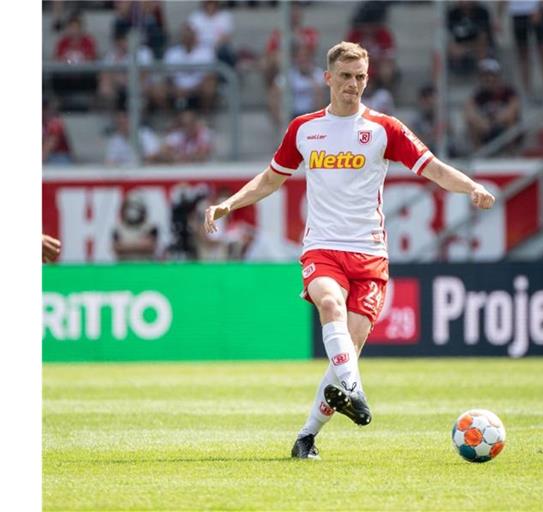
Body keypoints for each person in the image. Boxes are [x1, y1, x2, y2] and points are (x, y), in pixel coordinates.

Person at [203, 41, 495, 460]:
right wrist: (229, 203)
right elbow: (270, 180)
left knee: (346, 355)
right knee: (329, 305)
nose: (353, 85)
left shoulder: (383, 129)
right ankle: (357, 393)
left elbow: (432, 168)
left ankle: (306, 437)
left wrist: (472, 186)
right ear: (327, 78)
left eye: (360, 77)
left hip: (370, 255)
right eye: (345, 76)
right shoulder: (305, 128)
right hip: (322, 248)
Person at [498, 0, 543, 96]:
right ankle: (526, 91)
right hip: (518, 12)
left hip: (538, 10)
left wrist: (539, 7)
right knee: (523, 54)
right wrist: (499, 16)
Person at [464, 58, 521, 152]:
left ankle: (511, 153)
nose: (489, 79)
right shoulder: (478, 94)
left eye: (492, 75)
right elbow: (469, 112)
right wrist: (481, 121)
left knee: (511, 121)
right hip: (486, 128)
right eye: (485, 75)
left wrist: (496, 121)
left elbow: (512, 111)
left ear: (498, 76)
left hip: (503, 127)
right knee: (471, 124)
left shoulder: (509, 92)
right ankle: (479, 154)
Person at [163, 23, 218, 112]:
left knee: (209, 87)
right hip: (177, 89)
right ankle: (168, 117)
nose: (187, 38)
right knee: (158, 90)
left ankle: (205, 115)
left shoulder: (206, 52)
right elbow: (169, 77)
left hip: (198, 88)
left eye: (190, 35)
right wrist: (176, 89)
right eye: (185, 35)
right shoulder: (172, 52)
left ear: (195, 36)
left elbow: (210, 76)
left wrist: (192, 90)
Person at [447, 1, 495, 76]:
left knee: (482, 46)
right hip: (461, 45)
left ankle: (483, 73)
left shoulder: (482, 12)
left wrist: (468, 45)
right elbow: (452, 33)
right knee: (452, 48)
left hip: (479, 45)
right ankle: (459, 73)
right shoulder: (453, 13)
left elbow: (484, 35)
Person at [187, 0, 237, 67]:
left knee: (224, 51)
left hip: (218, 48)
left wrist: (213, 48)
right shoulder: (195, 17)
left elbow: (226, 37)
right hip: (199, 46)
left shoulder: (225, 16)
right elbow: (190, 35)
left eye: (212, 3)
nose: (210, 5)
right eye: (208, 3)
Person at [112, 193, 159, 261]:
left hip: (145, 266)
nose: (133, 211)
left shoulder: (151, 227)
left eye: (136, 207)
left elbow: (151, 247)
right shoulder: (118, 228)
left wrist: (125, 245)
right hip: (124, 266)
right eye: (130, 207)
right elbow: (116, 248)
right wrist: (140, 245)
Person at [43, 99, 74, 165]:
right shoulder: (45, 124)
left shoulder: (55, 123)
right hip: (51, 156)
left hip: (60, 158)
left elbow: (49, 145)